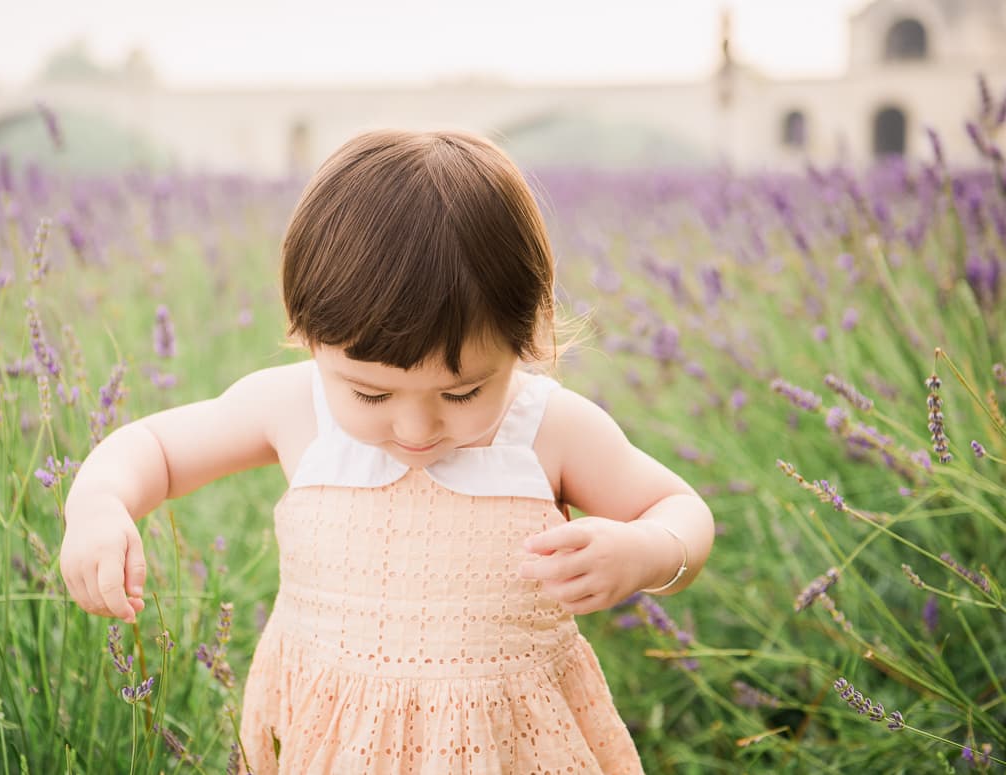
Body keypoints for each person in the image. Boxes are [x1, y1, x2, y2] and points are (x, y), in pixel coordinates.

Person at [60, 128, 715, 774]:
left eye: (461, 393)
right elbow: (154, 447)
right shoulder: (294, 408)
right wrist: (99, 501)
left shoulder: (547, 428)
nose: (416, 427)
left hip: (505, 747)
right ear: (309, 335)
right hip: (334, 742)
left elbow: (678, 506)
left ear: (523, 340)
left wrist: (648, 553)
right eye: (372, 395)